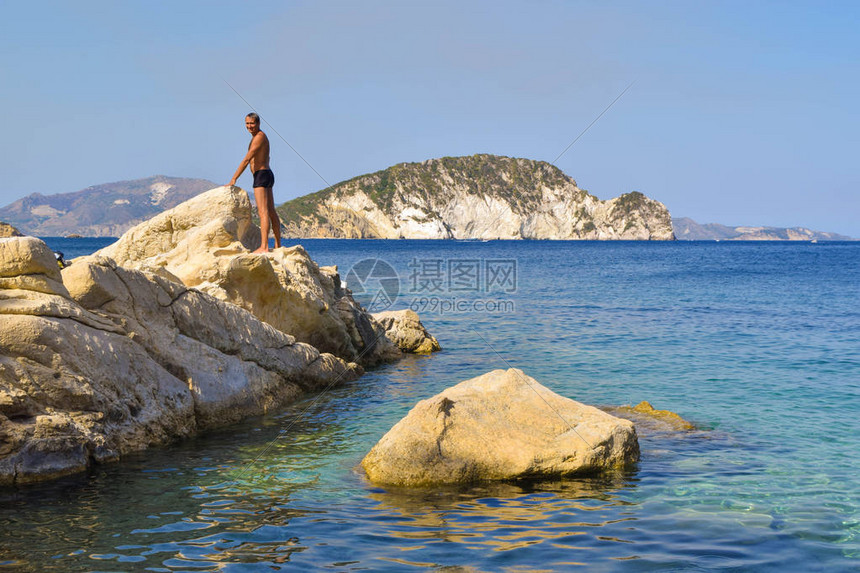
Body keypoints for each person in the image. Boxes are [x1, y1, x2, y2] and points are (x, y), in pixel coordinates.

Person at [229, 112, 282, 253]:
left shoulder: (259, 137)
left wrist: (234, 179)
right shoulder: (259, 137)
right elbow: (266, 156)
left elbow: (247, 160)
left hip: (261, 176)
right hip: (266, 174)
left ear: (258, 123)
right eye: (247, 123)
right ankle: (278, 245)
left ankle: (264, 247)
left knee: (263, 212)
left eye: (252, 123)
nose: (249, 126)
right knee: (271, 211)